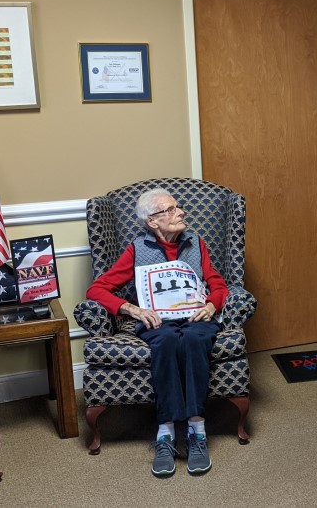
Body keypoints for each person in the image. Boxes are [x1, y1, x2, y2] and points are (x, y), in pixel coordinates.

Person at [86, 188, 228, 478]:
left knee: (194, 338)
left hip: (195, 316)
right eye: (171, 209)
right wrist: (133, 310)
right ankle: (165, 434)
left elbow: (218, 284)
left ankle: (197, 430)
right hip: (157, 322)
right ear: (152, 221)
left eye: (179, 207)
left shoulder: (196, 243)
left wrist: (213, 306)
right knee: (163, 342)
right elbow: (97, 289)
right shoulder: (137, 249)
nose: (181, 212)